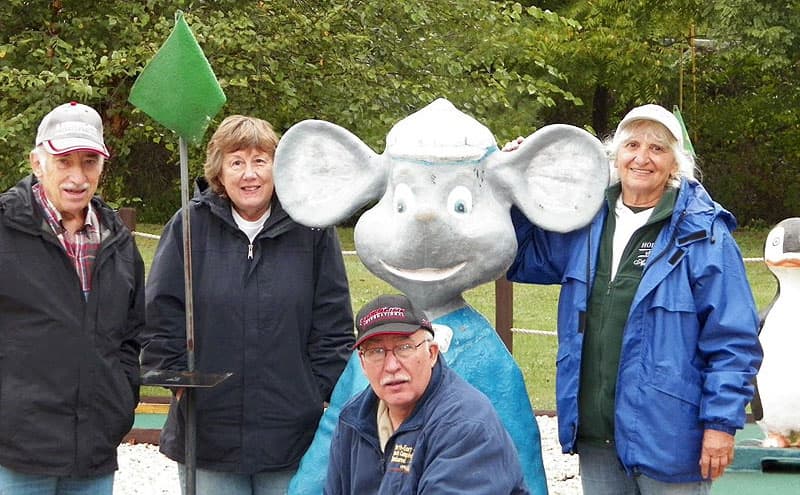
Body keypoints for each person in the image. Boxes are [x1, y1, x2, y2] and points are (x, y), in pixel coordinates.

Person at [507, 104, 763, 494]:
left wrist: (721, 424)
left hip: (670, 437)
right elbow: (522, 257)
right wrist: (517, 180)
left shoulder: (704, 234)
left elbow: (733, 338)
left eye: (658, 149)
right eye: (632, 145)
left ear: (674, 163)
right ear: (615, 155)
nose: (642, 158)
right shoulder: (585, 220)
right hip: (595, 431)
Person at [140, 115, 355, 495]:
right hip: (209, 432)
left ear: (278, 167)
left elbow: (333, 324)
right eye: (236, 161)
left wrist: (319, 391)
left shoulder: (312, 230)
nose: (249, 174)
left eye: (260, 160)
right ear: (219, 172)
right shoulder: (189, 226)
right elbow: (162, 314)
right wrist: (175, 382)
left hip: (290, 434)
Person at [0, 101, 146, 493]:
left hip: (94, 452)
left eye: (89, 162)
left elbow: (131, 337)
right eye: (64, 161)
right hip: (15, 454)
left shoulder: (119, 243)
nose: (77, 176)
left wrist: (120, 400)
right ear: (37, 163)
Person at [324, 294, 529, 495]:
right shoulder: (353, 419)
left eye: (404, 348)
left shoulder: (466, 425)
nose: (391, 366)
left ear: (432, 353)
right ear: (362, 364)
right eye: (376, 352)